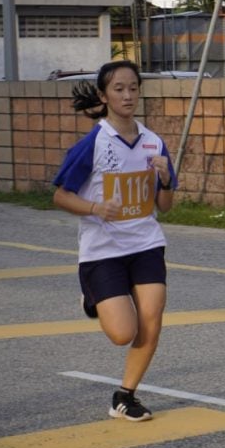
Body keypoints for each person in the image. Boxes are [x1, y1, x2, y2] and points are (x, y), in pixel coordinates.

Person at [52, 60, 176, 422]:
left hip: (146, 243)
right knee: (124, 333)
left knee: (151, 320)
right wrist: (95, 207)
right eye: (118, 89)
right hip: (102, 249)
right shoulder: (94, 143)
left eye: (133, 88)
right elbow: (60, 195)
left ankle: (126, 395)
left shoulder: (154, 142)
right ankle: (93, 295)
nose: (127, 95)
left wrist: (166, 180)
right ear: (103, 95)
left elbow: (165, 206)